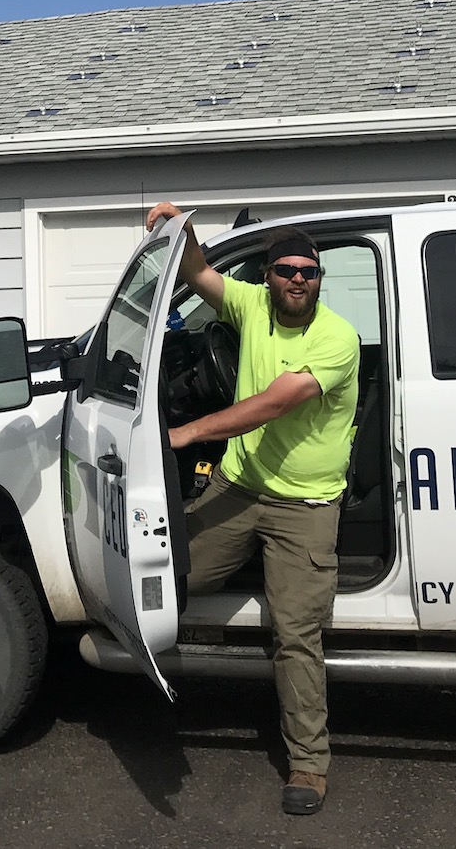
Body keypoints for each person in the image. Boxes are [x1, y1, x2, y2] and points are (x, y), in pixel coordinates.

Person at [145, 202, 360, 817]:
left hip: (305, 506)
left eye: (309, 272)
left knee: (294, 634)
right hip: (239, 488)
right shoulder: (249, 305)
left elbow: (273, 403)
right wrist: (178, 228)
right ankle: (128, 685)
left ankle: (308, 766)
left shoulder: (336, 338)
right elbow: (197, 274)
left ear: (320, 280)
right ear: (267, 276)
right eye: (286, 269)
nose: (298, 279)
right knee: (162, 575)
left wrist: (188, 434)